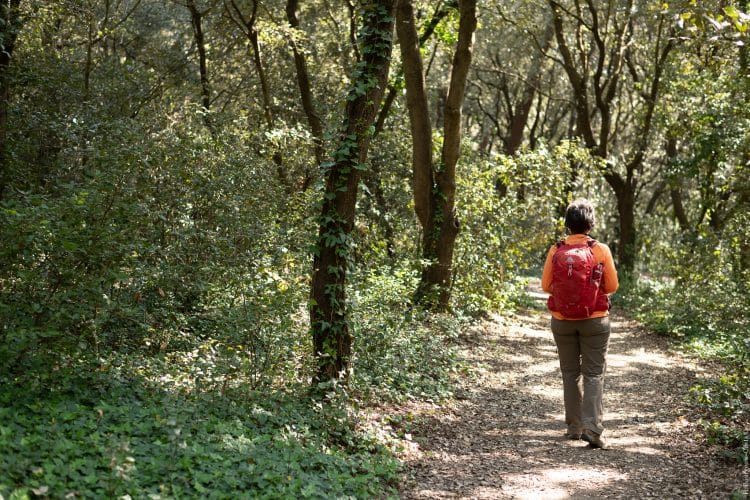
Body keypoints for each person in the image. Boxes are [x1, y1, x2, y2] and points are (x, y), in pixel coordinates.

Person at [542, 199, 618, 449]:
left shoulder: (556, 250)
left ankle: (574, 427)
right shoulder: (600, 250)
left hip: (562, 320)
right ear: (590, 223)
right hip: (595, 320)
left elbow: (545, 286)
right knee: (594, 374)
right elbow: (612, 286)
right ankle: (593, 429)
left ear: (567, 223)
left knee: (569, 373)